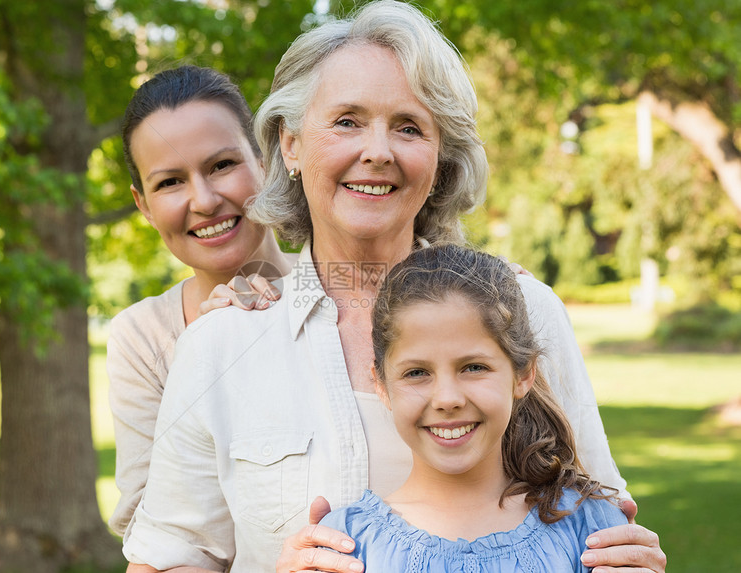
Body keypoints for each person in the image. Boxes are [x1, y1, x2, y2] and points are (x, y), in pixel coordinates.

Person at [122, 2, 666, 572]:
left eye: (409, 127)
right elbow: (168, 559)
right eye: (347, 121)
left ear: (439, 157)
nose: (377, 151)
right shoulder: (223, 343)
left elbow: (599, 527)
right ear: (290, 144)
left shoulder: (524, 311)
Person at [318, 243, 629, 571]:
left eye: (474, 367)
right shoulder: (345, 548)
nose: (447, 399)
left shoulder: (590, 532)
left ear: (523, 373)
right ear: (381, 385)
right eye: (417, 373)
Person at [107, 65, 294, 536]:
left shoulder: (338, 288)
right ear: (143, 204)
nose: (205, 200)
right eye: (170, 182)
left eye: (222, 165)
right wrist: (204, 356)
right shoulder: (142, 338)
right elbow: (149, 527)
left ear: (266, 164)